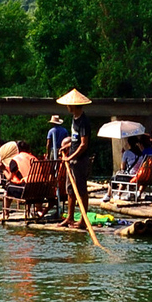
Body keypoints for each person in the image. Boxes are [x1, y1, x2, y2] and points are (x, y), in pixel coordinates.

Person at [56, 89, 92, 226]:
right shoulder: (74, 119)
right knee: (70, 189)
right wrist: (68, 146)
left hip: (80, 160)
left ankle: (83, 220)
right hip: (72, 159)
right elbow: (76, 140)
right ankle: (70, 217)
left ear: (74, 105)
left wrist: (70, 156)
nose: (67, 107)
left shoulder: (84, 122)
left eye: (69, 105)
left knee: (81, 189)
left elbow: (83, 145)